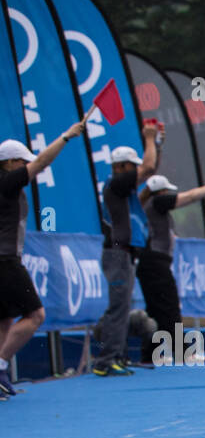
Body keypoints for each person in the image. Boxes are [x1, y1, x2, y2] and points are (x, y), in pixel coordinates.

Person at [0, 119, 90, 395]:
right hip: (5, 260)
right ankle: (0, 365)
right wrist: (66, 135)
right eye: (21, 162)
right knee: (36, 315)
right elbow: (41, 163)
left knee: (3, 320)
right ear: (9, 163)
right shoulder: (7, 181)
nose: (25, 168)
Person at [138, 170, 205, 360]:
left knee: (156, 309)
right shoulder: (157, 202)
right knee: (169, 306)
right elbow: (188, 197)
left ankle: (150, 354)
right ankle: (182, 352)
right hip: (155, 263)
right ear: (161, 192)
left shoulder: (152, 208)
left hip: (151, 263)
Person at [93, 127, 160, 376]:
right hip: (117, 253)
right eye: (132, 166)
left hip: (124, 253)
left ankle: (116, 356)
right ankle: (106, 360)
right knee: (118, 308)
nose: (136, 171)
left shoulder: (122, 186)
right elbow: (150, 169)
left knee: (122, 307)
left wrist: (157, 144)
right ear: (121, 167)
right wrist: (150, 139)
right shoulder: (117, 183)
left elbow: (151, 171)